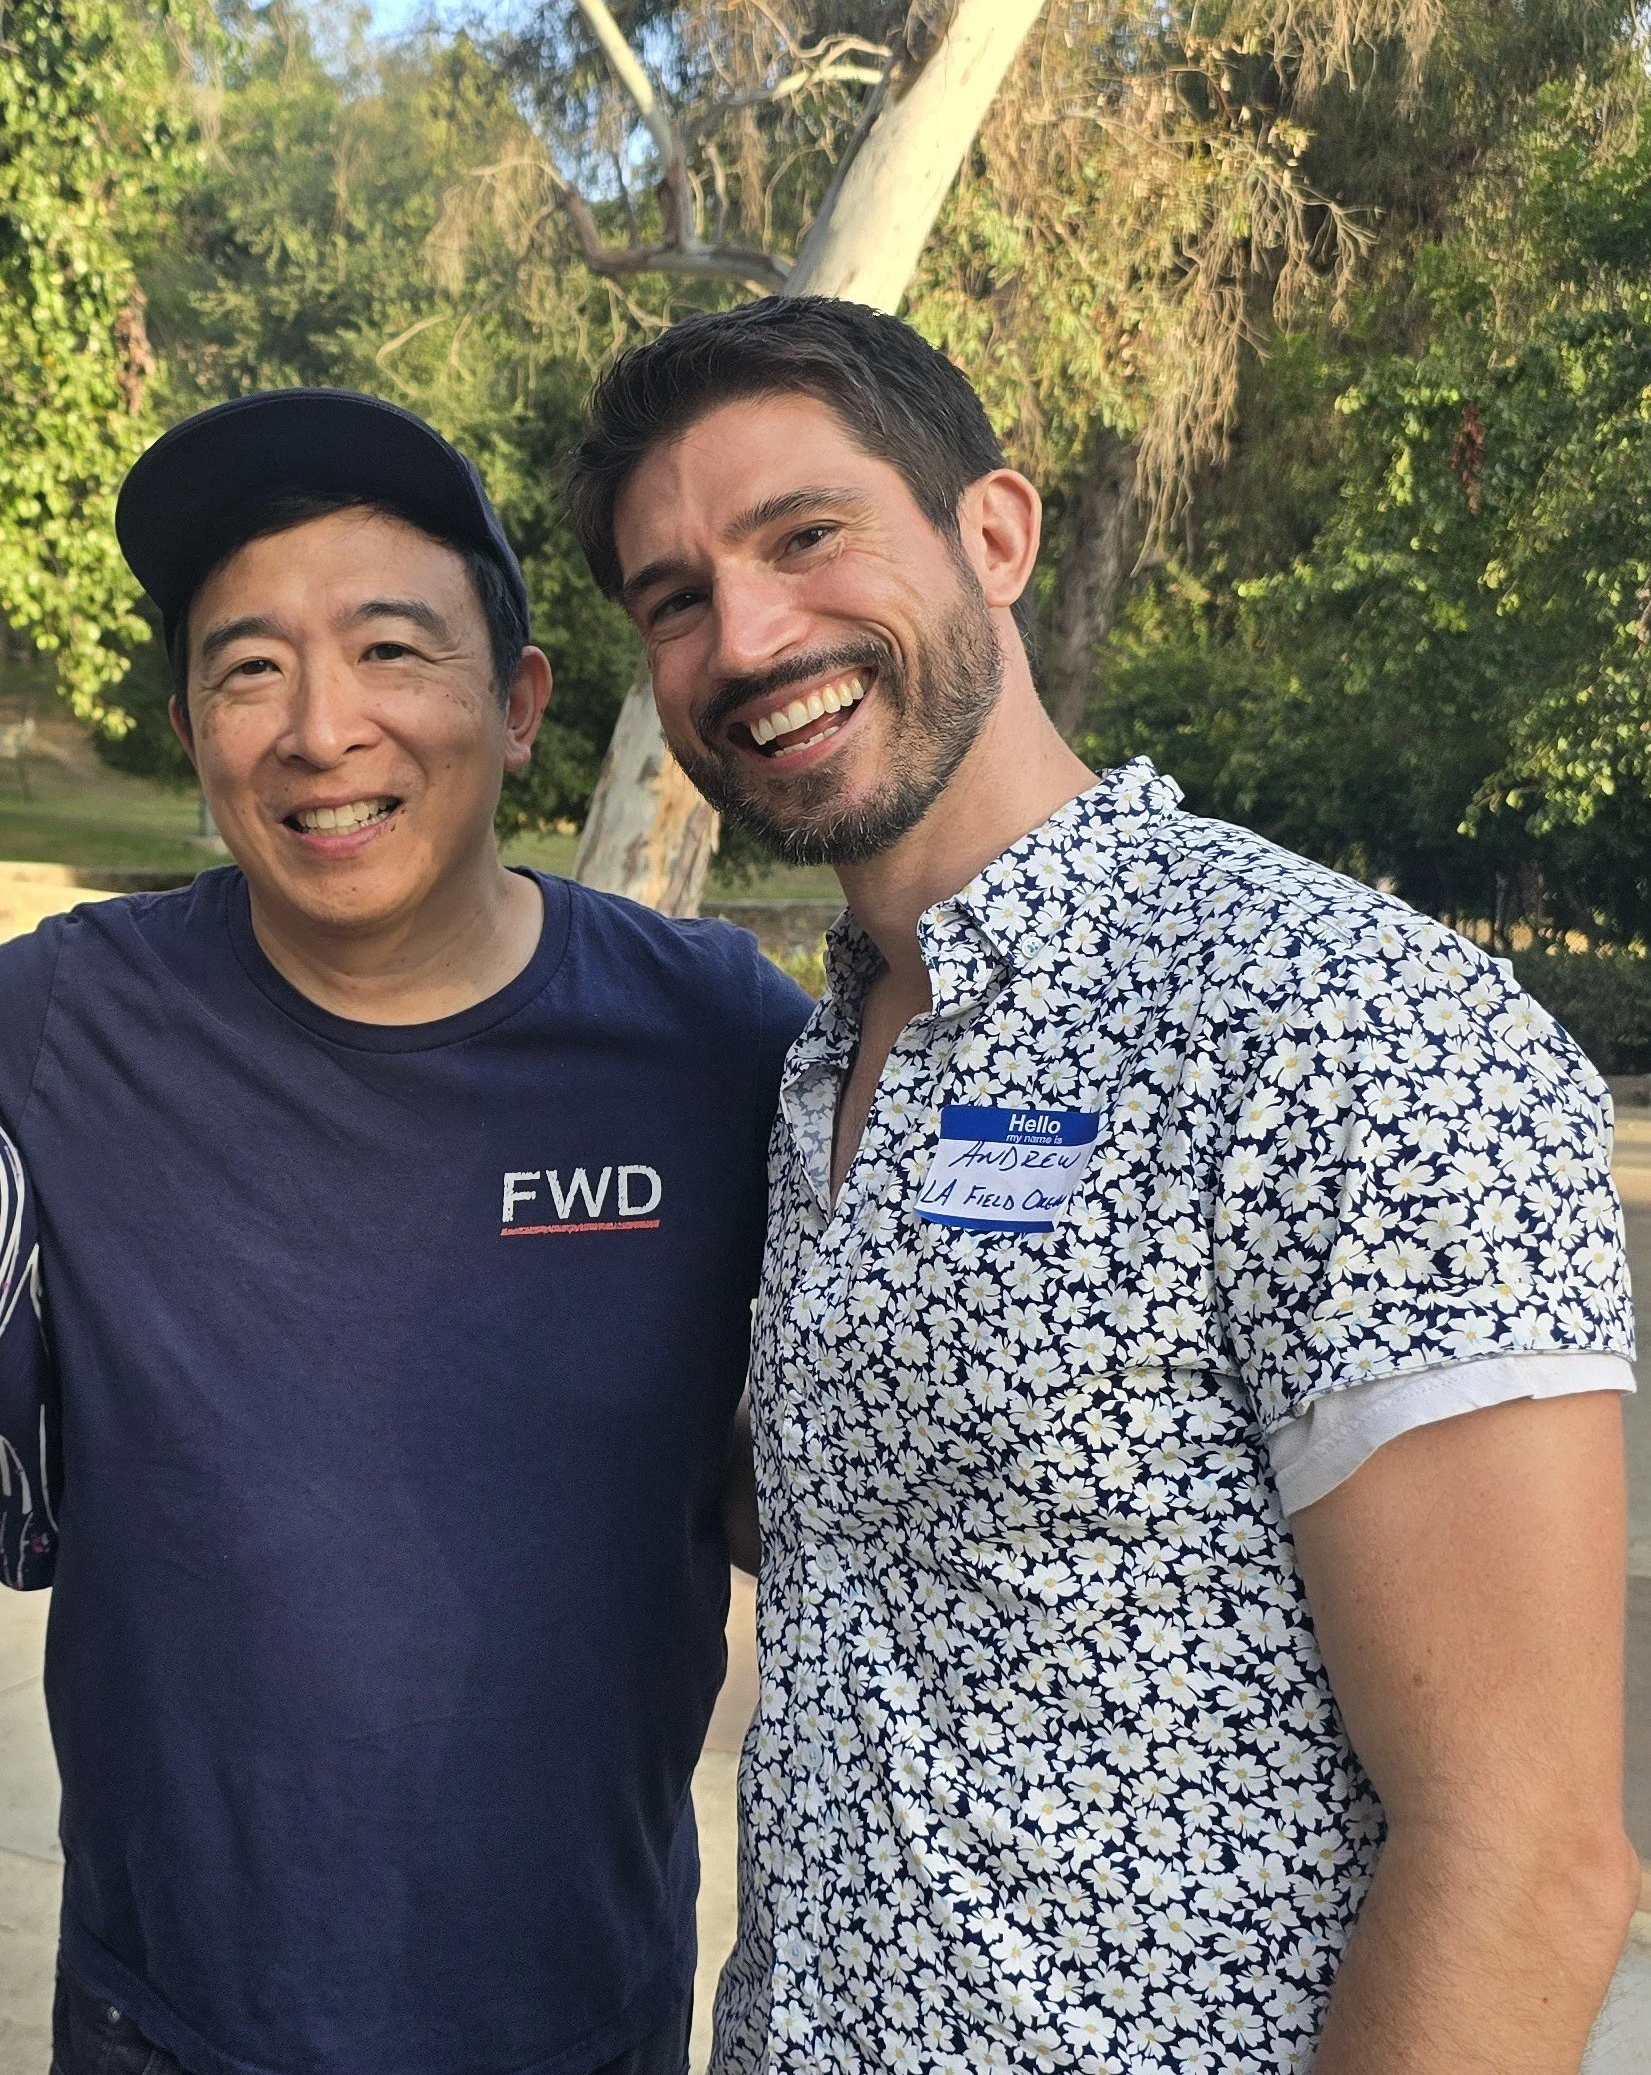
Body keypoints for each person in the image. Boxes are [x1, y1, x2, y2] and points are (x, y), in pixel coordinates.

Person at [564, 296, 1641, 2075]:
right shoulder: (816, 1063)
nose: (746, 635)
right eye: (674, 596)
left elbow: (1528, 1858)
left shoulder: (1340, 1026)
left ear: (992, 531)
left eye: (806, 535)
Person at [0, 388, 811, 2075]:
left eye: (389, 650)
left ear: (518, 707)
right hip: (168, 2021)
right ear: (189, 724)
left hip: (575, 2017)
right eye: (247, 669)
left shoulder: (716, 1037)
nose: (318, 728)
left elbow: (823, 1446)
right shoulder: (59, 1024)